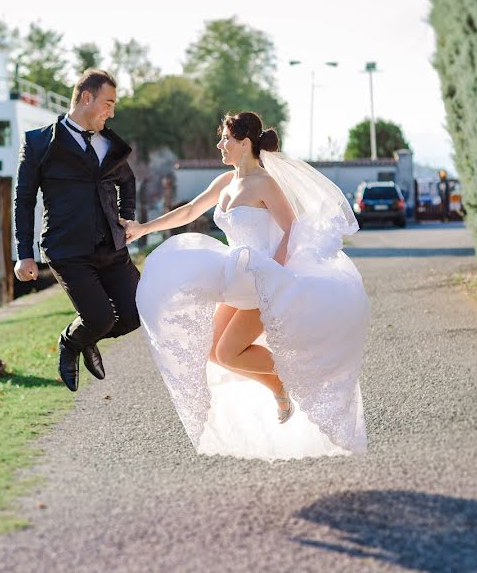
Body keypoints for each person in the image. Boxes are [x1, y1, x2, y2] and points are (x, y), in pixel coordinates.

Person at [121, 112, 370, 461]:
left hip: (261, 280)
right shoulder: (226, 181)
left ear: (245, 142)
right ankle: (278, 385)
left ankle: (294, 376)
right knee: (211, 349)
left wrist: (274, 274)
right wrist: (143, 229)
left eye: (225, 139)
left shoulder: (266, 184)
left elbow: (291, 229)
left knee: (228, 352)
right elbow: (190, 210)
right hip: (234, 276)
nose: (220, 145)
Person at [13, 69, 140, 392]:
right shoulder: (39, 142)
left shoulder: (108, 142)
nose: (111, 112)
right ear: (87, 98)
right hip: (68, 251)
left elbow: (127, 181)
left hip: (112, 247)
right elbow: (24, 201)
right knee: (100, 318)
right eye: (108, 103)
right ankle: (71, 344)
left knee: (135, 314)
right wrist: (23, 255)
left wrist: (126, 217)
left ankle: (82, 339)